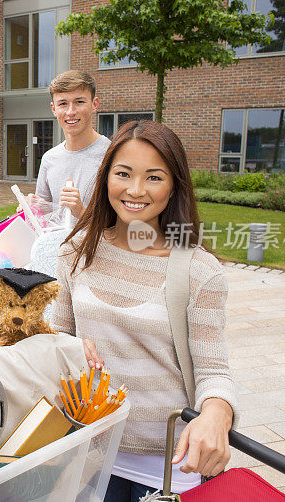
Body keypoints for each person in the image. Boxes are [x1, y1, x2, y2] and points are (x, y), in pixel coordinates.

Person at [51, 120, 236, 501]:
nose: (135, 191)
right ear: (106, 178)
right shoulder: (76, 251)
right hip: (88, 449)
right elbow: (56, 336)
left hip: (170, 466)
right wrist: (65, 347)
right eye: (123, 174)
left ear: (174, 185)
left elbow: (213, 371)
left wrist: (217, 413)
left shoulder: (199, 271)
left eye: (154, 177)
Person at [34, 70, 111, 220]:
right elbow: (44, 214)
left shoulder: (112, 154)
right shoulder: (49, 158)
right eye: (63, 104)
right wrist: (32, 207)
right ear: (54, 109)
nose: (71, 112)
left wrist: (81, 211)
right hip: (56, 243)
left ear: (94, 104)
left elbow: (121, 221)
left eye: (79, 102)